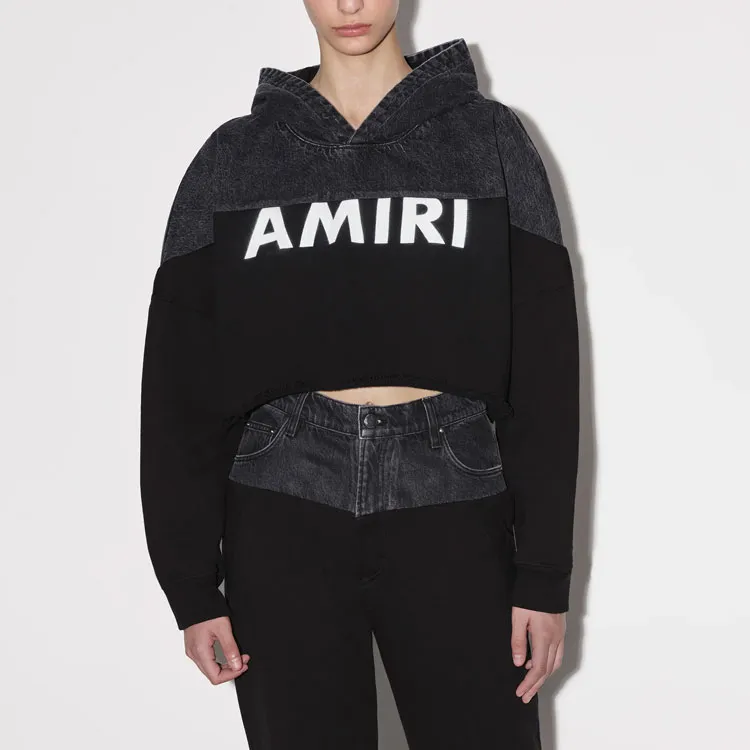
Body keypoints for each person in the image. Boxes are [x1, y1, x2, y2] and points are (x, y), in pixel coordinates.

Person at [139, 2, 580, 748]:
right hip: (282, 500)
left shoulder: (488, 140)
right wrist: (190, 586)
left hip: (452, 493)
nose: (349, 3)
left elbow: (544, 364)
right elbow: (179, 383)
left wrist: (543, 572)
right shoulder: (235, 159)